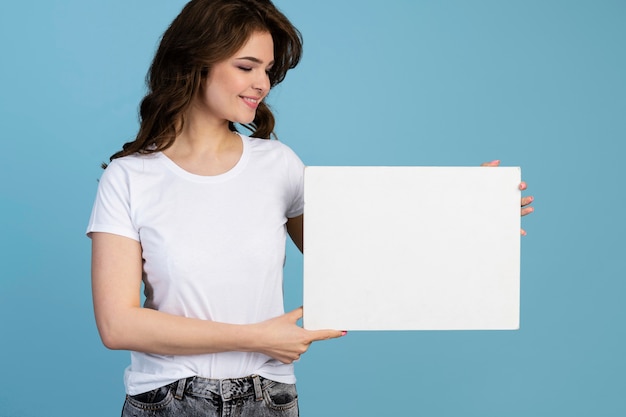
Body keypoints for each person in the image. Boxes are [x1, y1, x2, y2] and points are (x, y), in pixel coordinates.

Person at [87, 1, 534, 416]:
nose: (262, 83)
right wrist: (256, 338)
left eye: (267, 69)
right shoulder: (129, 177)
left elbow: (355, 257)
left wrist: (470, 217)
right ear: (193, 63)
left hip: (269, 398)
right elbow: (118, 324)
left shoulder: (277, 164)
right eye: (246, 66)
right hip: (169, 398)